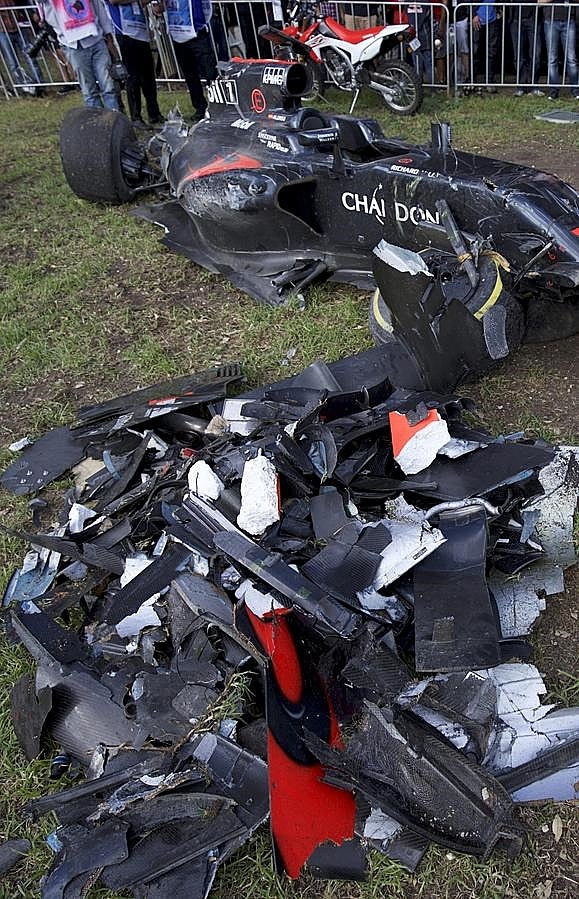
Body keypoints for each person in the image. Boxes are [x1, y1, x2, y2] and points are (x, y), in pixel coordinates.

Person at [37, 0, 120, 109]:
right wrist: (61, 35)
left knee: (108, 87)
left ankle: (114, 121)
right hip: (74, 45)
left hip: (96, 39)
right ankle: (96, 122)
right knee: (89, 91)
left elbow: (98, 7)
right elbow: (47, 14)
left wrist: (107, 34)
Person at [148, 0, 216, 121]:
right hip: (178, 34)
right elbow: (159, 9)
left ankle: (218, 105)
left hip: (197, 32)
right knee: (190, 74)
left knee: (210, 72)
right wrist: (157, 6)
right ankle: (200, 108)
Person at [105, 0, 163, 125]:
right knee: (133, 77)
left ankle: (154, 113)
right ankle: (136, 117)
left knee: (148, 76)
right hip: (124, 32)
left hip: (140, 30)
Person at [0, 0, 43, 92]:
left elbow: (23, 2)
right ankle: (25, 87)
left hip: (20, 26)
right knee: (13, 63)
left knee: (30, 56)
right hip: (2, 30)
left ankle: (40, 86)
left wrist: (31, 13)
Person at [539, 0, 579, 100]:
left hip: (569, 20)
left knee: (571, 58)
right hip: (550, 21)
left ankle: (575, 90)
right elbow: (539, 2)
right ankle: (553, 91)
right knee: (552, 58)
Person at [508, 0, 544, 95]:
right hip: (516, 18)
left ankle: (534, 84)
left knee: (536, 55)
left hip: (534, 18)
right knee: (518, 56)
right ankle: (521, 86)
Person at [472, 1, 501, 91]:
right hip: (477, 19)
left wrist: (500, 11)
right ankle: (472, 81)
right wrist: (473, 15)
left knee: (492, 52)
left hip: (493, 20)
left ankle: (489, 80)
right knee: (475, 51)